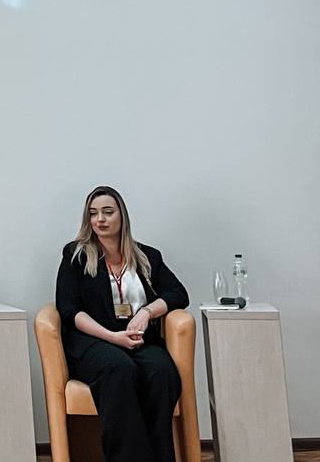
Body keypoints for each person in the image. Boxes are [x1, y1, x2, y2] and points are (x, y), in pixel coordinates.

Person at [55, 185, 188, 462]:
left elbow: (178, 294)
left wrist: (146, 313)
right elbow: (68, 309)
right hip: (93, 341)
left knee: (162, 373)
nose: (100, 219)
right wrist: (111, 336)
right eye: (93, 214)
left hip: (139, 340)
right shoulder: (76, 255)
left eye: (107, 212)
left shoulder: (147, 256)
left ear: (122, 216)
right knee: (119, 368)